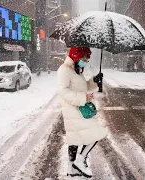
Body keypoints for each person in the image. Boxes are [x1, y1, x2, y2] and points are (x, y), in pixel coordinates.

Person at [57, 47, 108, 178]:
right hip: (73, 111)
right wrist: (83, 98)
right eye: (83, 59)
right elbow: (62, 91)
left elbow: (82, 86)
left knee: (74, 139)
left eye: (87, 59)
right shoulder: (64, 70)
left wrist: (94, 80)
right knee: (96, 133)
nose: (85, 62)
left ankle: (71, 169)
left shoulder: (76, 70)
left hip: (78, 110)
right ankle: (80, 160)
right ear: (75, 56)